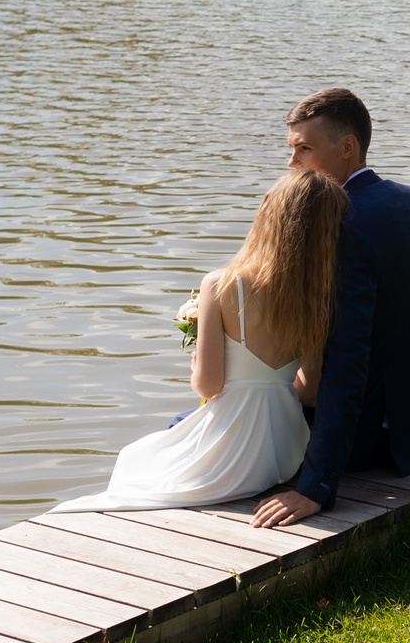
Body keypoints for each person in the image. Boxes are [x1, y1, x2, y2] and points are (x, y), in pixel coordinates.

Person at [56, 168, 346, 513]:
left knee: (135, 459)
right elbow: (310, 390)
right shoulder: (319, 297)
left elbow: (208, 386)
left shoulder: (223, 285)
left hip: (231, 452)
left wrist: (197, 361)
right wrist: (272, 382)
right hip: (284, 451)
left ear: (268, 215)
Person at [254, 88, 410, 528]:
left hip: (376, 438)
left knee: (229, 422)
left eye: (303, 149)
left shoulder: (342, 224)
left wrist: (316, 487)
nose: (292, 164)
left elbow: (349, 360)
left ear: (347, 147)